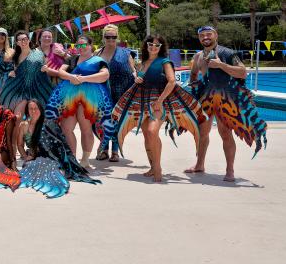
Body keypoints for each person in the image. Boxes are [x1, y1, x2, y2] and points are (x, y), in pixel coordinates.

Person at [112, 34, 203, 182]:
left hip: (159, 102)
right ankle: (153, 166)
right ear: (146, 45)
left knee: (152, 131)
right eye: (150, 44)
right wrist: (137, 78)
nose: (153, 47)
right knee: (147, 136)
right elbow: (139, 79)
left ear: (161, 47)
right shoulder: (143, 62)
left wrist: (160, 101)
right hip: (141, 102)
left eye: (157, 45)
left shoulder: (165, 61)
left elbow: (172, 81)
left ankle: (158, 167)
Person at [186, 25, 267, 182]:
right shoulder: (197, 57)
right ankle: (199, 165)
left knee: (225, 133)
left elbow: (243, 72)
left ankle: (230, 171)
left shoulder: (228, 53)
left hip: (226, 98)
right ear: (199, 38)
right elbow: (194, 74)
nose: (205, 37)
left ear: (215, 35)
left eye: (208, 34)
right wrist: (194, 89)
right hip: (206, 98)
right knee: (202, 133)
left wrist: (221, 65)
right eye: (202, 35)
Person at [42, 35, 114, 168]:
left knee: (85, 128)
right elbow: (61, 72)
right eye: (78, 45)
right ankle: (72, 157)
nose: (81, 48)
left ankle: (85, 160)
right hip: (69, 97)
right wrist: (71, 76)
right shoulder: (71, 59)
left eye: (83, 45)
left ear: (91, 45)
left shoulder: (98, 60)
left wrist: (84, 79)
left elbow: (105, 75)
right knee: (66, 128)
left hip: (88, 99)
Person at [94, 24, 136, 162]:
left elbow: (133, 70)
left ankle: (115, 151)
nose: (111, 39)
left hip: (121, 91)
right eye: (108, 37)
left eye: (113, 37)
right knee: (102, 121)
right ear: (103, 38)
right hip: (102, 92)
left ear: (117, 37)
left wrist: (137, 77)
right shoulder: (97, 53)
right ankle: (104, 148)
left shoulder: (126, 53)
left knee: (116, 120)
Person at [0, 30, 53, 118]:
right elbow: (5, 70)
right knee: (17, 118)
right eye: (20, 40)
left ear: (29, 40)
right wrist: (9, 73)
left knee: (35, 120)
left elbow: (44, 67)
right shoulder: (15, 57)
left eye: (25, 39)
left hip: (36, 89)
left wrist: (45, 69)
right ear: (17, 42)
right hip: (19, 91)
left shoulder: (39, 53)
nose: (23, 41)